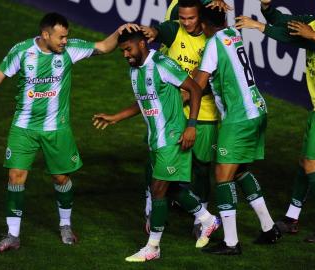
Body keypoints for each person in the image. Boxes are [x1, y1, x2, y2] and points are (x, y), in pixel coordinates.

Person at [0, 12, 139, 252]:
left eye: (67, 37)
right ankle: (12, 234)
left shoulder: (70, 50)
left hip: (57, 128)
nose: (65, 41)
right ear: (45, 35)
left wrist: (119, 31)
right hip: (24, 127)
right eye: (61, 37)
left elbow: (103, 47)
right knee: (16, 176)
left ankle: (65, 224)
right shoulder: (23, 51)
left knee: (61, 178)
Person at [93, 30, 220, 262]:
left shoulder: (162, 63)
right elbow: (144, 100)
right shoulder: (134, 70)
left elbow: (194, 89)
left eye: (128, 49)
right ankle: (207, 219)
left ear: (142, 44)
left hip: (173, 137)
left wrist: (191, 126)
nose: (125, 55)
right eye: (122, 51)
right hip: (156, 140)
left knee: (158, 189)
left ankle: (153, 247)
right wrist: (116, 117)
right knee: (168, 188)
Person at [235, 0, 315, 243]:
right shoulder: (314, 24)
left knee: (313, 166)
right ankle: (292, 218)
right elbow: (283, 23)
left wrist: (258, 26)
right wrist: (267, 8)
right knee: (305, 162)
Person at [194, 8, 281, 255]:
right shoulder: (233, 33)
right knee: (239, 169)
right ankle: (269, 227)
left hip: (239, 118)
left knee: (222, 174)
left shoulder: (212, 44)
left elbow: (198, 85)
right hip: (258, 108)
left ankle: (231, 242)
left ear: (202, 24)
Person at [141, 0, 230, 238]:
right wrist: (152, 32)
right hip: (171, 111)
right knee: (159, 159)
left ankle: (201, 213)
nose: (186, 23)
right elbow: (160, 31)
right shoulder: (174, 29)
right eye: (183, 18)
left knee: (201, 166)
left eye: (191, 19)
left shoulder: (213, 41)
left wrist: (187, 94)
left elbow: (210, 82)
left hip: (205, 112)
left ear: (201, 18)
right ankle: (152, 206)